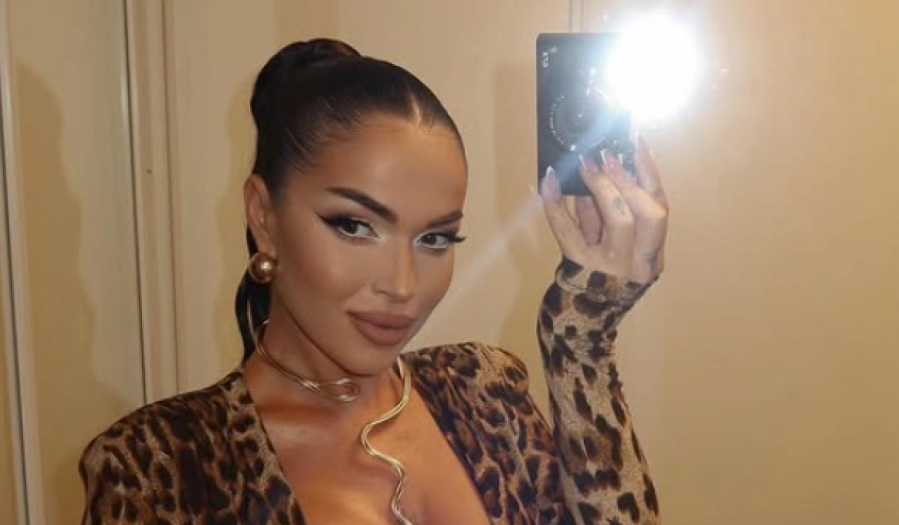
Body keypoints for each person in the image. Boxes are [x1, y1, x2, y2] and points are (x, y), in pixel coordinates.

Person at [79, 37, 667, 525]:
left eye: (435, 238)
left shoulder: (486, 391)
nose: (403, 286)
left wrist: (582, 336)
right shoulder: (162, 471)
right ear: (263, 216)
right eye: (354, 226)